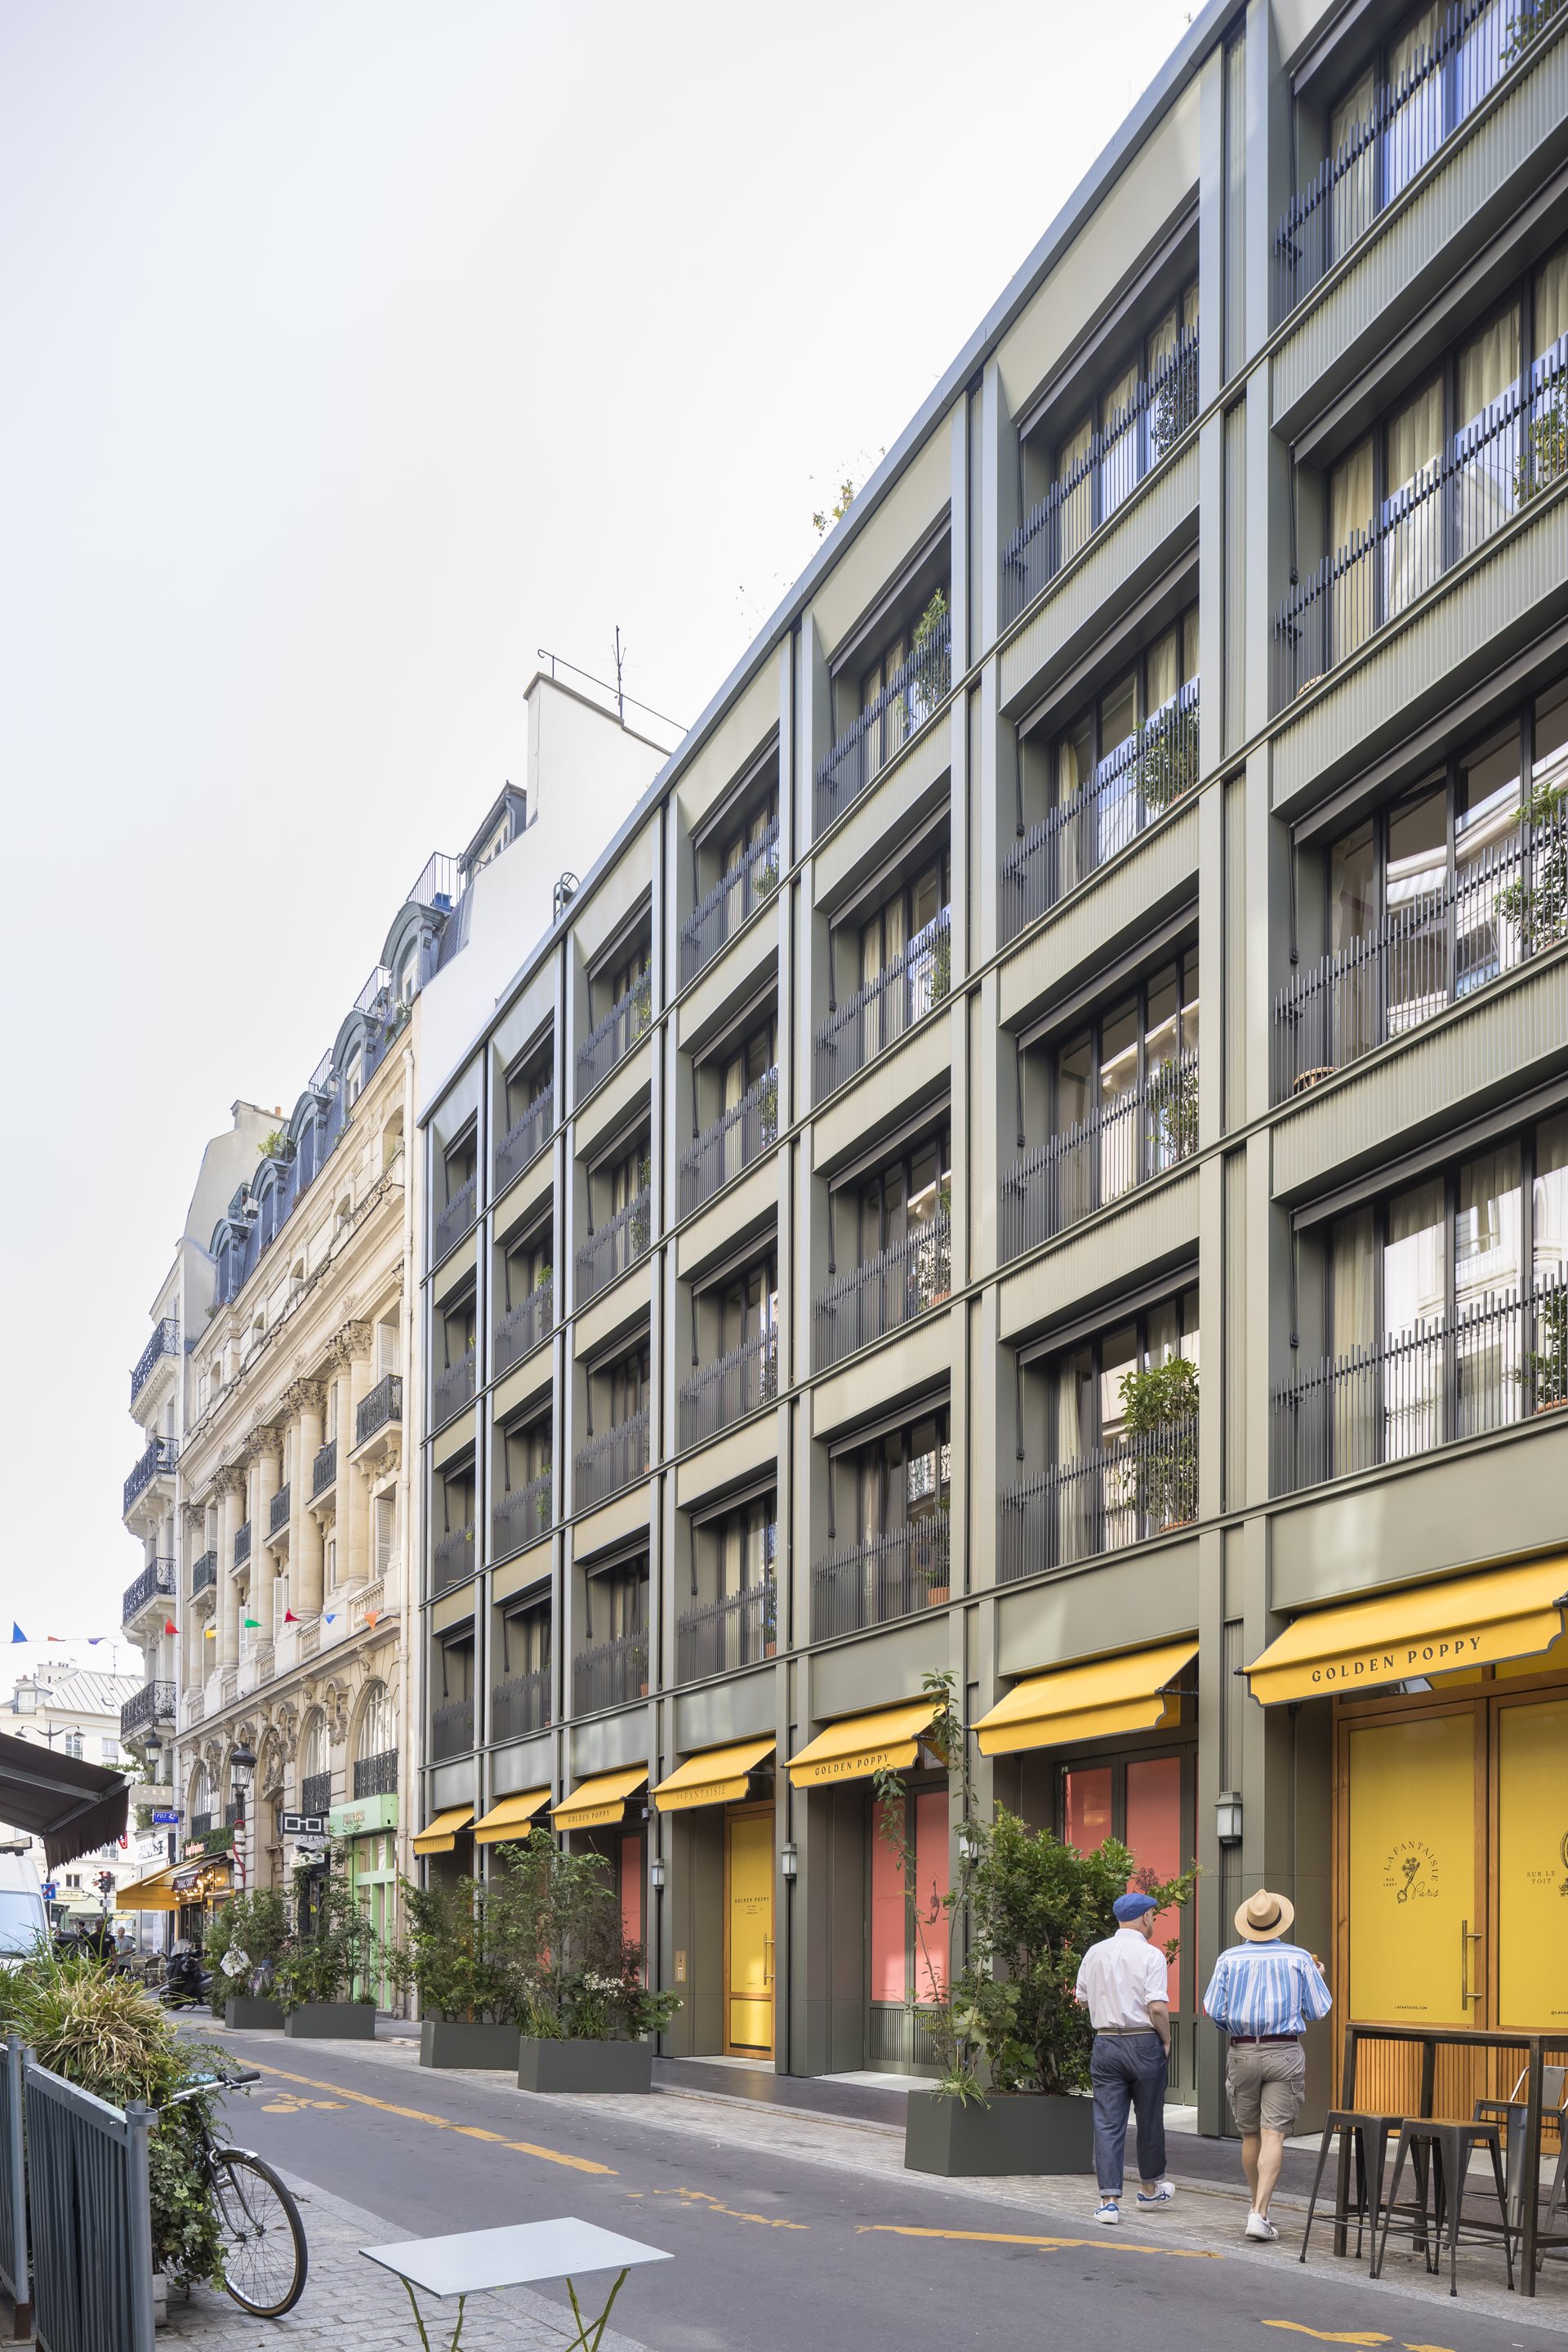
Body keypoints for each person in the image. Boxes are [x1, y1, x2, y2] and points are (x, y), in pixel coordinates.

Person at [1201, 1888, 1332, 2243]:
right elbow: (1319, 2010)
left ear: (1248, 1924)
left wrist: (1237, 2027)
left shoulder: (1228, 1959)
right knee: (1274, 2134)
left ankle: (1258, 2207)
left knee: (1250, 2134)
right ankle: (1259, 2213)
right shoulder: (1300, 1958)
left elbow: (1213, 2009)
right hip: (1284, 2051)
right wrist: (1317, 1974)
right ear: (1279, 1923)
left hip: (1242, 2052)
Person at [1074, 1889, 1177, 2226]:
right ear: (1146, 1917)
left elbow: (1082, 2000)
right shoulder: (1151, 1955)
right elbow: (1157, 2007)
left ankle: (1108, 2202)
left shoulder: (1094, 1952)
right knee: (1149, 2118)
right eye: (1154, 1917)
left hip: (1105, 2043)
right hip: (1143, 2040)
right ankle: (1148, 2190)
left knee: (1107, 2121)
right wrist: (1166, 2038)